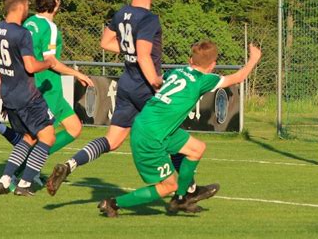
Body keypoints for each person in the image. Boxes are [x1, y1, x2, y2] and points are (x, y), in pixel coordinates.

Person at [46, 0, 219, 208]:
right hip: (144, 87)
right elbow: (145, 55)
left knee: (112, 140)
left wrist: (130, 51)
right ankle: (187, 192)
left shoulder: (121, 14)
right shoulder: (149, 19)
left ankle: (70, 165)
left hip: (126, 84)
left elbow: (105, 42)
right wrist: (156, 81)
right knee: (171, 136)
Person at [97, 41, 261, 217]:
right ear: (212, 65)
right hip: (151, 136)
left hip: (156, 126)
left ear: (191, 60)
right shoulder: (204, 80)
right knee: (168, 186)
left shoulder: (179, 71)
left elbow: (158, 82)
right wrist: (253, 59)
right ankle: (114, 203)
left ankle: (182, 198)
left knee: (197, 149)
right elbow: (237, 78)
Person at [0, 0, 93, 161]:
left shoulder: (27, 23)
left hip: (25, 87)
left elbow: (8, 58)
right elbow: (52, 62)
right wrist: (78, 74)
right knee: (42, 137)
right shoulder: (50, 27)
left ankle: (22, 159)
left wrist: (5, 87)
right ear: (56, 3)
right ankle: (22, 170)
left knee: (65, 129)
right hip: (47, 88)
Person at [0, 0, 57, 196]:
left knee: (29, 137)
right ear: (21, 6)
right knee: (48, 136)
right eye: (27, 5)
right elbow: (31, 67)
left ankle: (5, 180)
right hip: (27, 96)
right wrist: (48, 63)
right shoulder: (22, 33)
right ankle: (24, 183)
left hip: (9, 95)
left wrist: (7, 67)